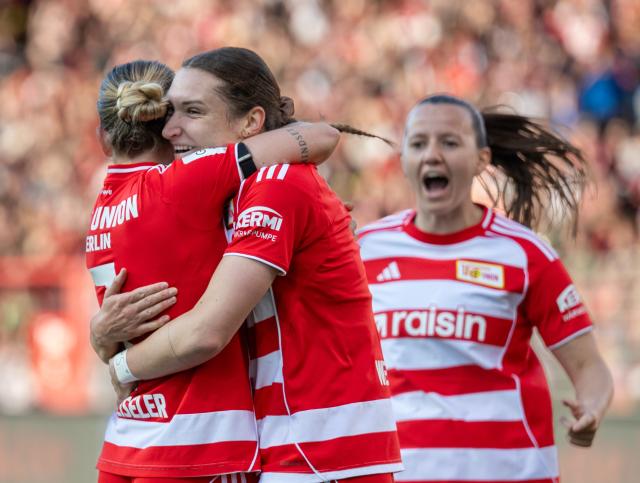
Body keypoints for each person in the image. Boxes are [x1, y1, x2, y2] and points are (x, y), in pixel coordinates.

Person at [95, 47, 402, 483]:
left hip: (319, 445)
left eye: (193, 111)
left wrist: (121, 366)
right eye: (169, 112)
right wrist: (102, 333)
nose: (171, 128)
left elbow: (205, 331)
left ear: (251, 123)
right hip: (287, 442)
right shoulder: (226, 197)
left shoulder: (278, 185)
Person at [357, 94, 614, 483]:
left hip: (509, 472)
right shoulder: (363, 249)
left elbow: (589, 366)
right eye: (418, 143)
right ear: (404, 160)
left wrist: (592, 407)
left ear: (481, 159)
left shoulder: (525, 254)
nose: (432, 155)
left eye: (449, 142)